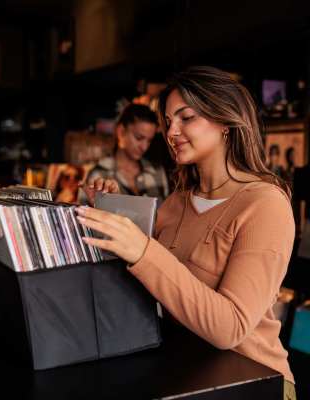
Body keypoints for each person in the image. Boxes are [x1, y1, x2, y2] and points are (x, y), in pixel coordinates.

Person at [77, 66, 296, 399]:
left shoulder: (265, 204)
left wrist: (143, 250)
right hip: (188, 374)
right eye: (168, 121)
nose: (171, 131)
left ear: (225, 121)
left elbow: (230, 328)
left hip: (253, 380)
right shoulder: (177, 202)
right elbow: (151, 285)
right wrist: (109, 210)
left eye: (186, 118)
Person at [79, 103, 169, 204]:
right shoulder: (98, 174)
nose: (144, 147)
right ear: (121, 132)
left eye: (149, 141)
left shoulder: (157, 171)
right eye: (139, 138)